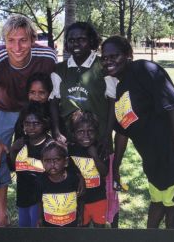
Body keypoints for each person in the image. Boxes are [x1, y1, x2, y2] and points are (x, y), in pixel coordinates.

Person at [101, 35, 174, 229]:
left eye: (114, 56)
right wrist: (116, 167)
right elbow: (123, 131)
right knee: (157, 203)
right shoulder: (121, 88)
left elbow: (173, 105)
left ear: (128, 54)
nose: (108, 61)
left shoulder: (145, 70)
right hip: (153, 160)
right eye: (104, 58)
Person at [0, 14, 57, 227]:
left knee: (40, 157)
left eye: (23, 40)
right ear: (4, 41)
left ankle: (40, 212)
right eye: (11, 40)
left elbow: (54, 94)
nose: (17, 46)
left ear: (32, 39)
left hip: (34, 108)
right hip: (1, 108)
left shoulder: (47, 56)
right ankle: (2, 215)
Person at [49, 21, 120, 227]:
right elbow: (53, 101)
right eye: (71, 40)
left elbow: (112, 103)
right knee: (75, 191)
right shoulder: (59, 70)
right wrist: (56, 130)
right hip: (71, 143)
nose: (76, 43)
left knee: (102, 191)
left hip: (99, 142)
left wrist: (107, 136)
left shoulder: (103, 68)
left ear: (92, 42)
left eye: (81, 39)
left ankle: (104, 226)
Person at [9, 102, 51, 227]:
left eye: (36, 123)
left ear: (44, 124)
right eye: (27, 123)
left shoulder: (50, 146)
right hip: (23, 196)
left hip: (41, 200)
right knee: (24, 230)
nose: (31, 127)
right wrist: (13, 150)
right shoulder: (21, 144)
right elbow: (12, 167)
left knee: (37, 230)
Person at [68, 110, 109, 228]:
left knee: (99, 230)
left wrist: (95, 156)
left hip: (98, 199)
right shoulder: (70, 149)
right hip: (79, 201)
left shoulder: (101, 148)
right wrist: (79, 176)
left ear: (96, 132)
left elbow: (104, 172)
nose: (86, 136)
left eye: (90, 131)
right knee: (81, 229)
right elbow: (69, 170)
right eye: (80, 132)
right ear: (73, 133)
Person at [38, 140, 83, 227]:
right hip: (49, 224)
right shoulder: (40, 181)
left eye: (57, 160)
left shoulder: (74, 179)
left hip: (71, 223)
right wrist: (40, 218)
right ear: (42, 162)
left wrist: (80, 216)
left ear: (66, 162)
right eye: (47, 161)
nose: (52, 164)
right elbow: (39, 201)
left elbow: (81, 199)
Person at [14, 72, 53, 141]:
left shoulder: (53, 114)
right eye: (32, 92)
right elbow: (18, 139)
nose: (36, 97)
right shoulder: (24, 114)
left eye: (41, 92)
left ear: (49, 93)